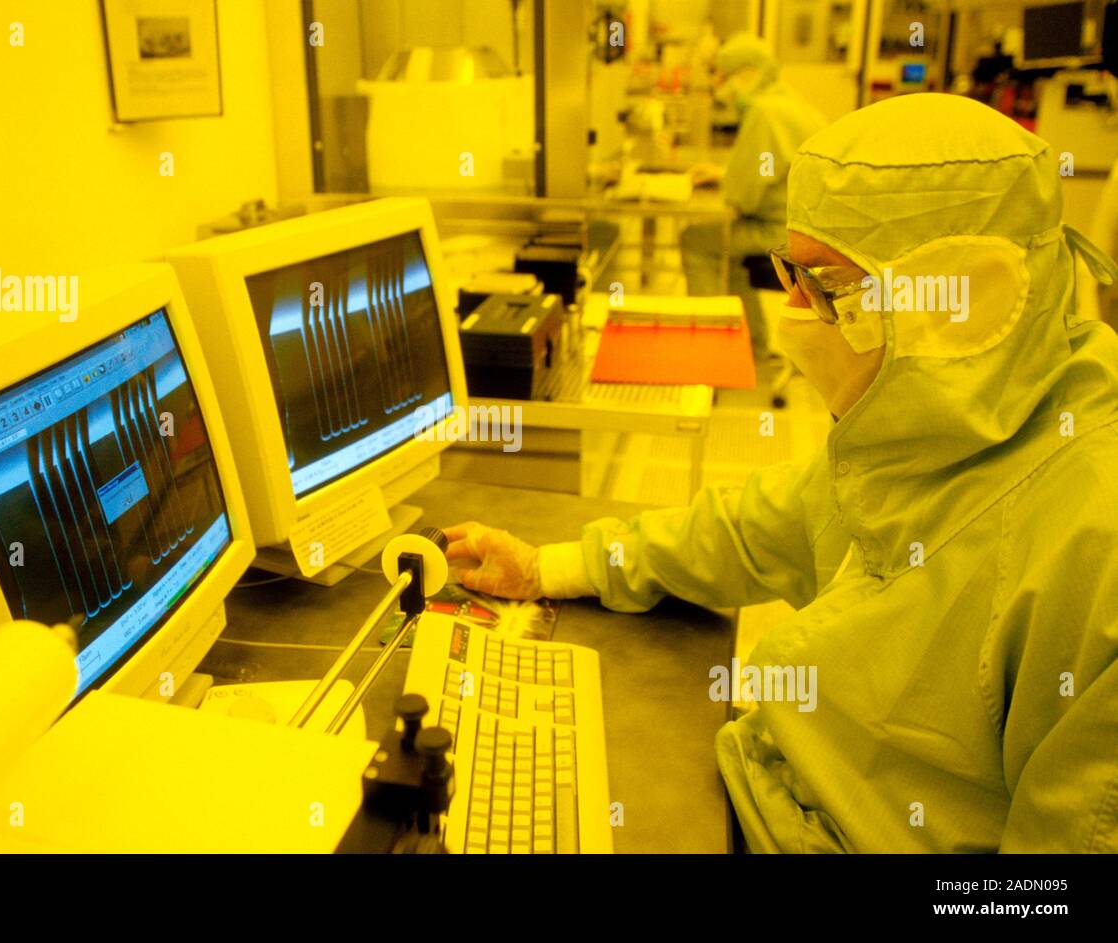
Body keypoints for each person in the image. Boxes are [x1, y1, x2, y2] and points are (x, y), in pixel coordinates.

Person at [445, 94, 1118, 853]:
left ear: (961, 301)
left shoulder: (1091, 542)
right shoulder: (920, 433)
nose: (793, 312)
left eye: (824, 286)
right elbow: (748, 526)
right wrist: (551, 566)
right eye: (788, 273)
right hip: (761, 793)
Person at [680, 33, 826, 357]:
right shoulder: (793, 104)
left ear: (747, 73)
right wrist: (727, 173)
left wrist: (729, 180)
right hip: (813, 230)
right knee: (728, 250)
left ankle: (711, 348)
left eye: (724, 76)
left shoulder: (764, 113)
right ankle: (751, 344)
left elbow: (742, 197)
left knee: (697, 240)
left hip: (781, 234)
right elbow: (770, 171)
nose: (721, 87)